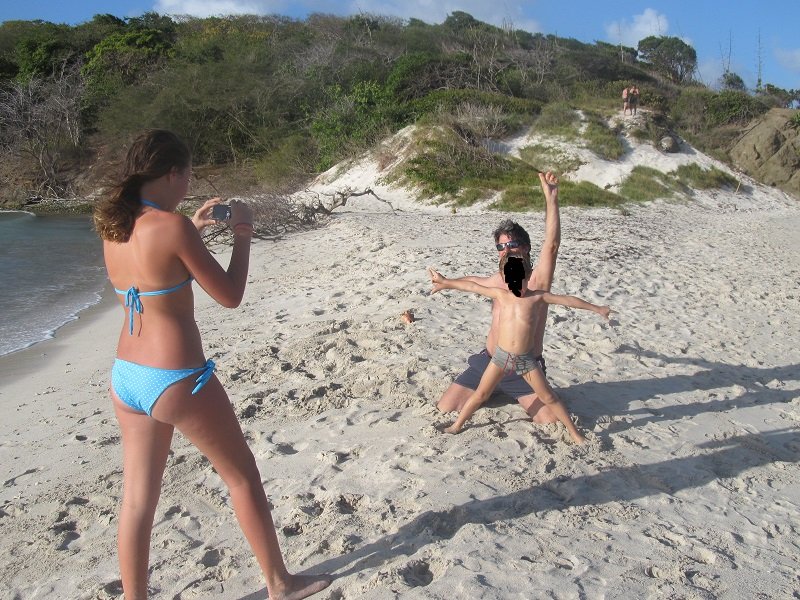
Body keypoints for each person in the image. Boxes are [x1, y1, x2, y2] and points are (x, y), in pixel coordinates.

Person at [93, 129, 331, 600]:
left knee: (138, 499)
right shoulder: (173, 226)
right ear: (172, 173)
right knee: (242, 477)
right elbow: (231, 295)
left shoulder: (114, 226)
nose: (188, 188)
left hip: (127, 375)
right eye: (188, 177)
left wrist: (197, 229)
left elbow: (156, 266)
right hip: (176, 377)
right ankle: (279, 584)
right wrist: (242, 233)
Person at [428, 255, 611, 442]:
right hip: (500, 358)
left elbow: (568, 301)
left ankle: (575, 433)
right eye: (511, 281)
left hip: (525, 360)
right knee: (481, 394)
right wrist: (446, 282)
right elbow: (473, 287)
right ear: (505, 278)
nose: (516, 285)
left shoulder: (538, 297)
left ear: (529, 275)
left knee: (549, 397)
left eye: (520, 281)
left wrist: (597, 308)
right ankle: (456, 425)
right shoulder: (501, 295)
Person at [436, 172, 562, 424]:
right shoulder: (496, 281)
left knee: (549, 420)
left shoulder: (537, 280)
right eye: (501, 246)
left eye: (512, 244)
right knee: (446, 407)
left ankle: (510, 393)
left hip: (524, 368)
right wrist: (445, 282)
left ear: (525, 247)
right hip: (490, 362)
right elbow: (471, 282)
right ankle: (492, 390)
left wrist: (551, 198)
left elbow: (552, 244)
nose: (506, 250)